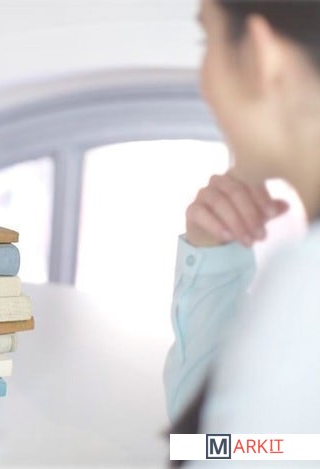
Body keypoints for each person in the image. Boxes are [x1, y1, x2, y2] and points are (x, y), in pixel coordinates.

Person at [164, 0, 320, 437]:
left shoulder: (304, 289)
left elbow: (218, 449)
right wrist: (212, 259)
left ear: (258, 56)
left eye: (207, 40)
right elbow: (227, 441)